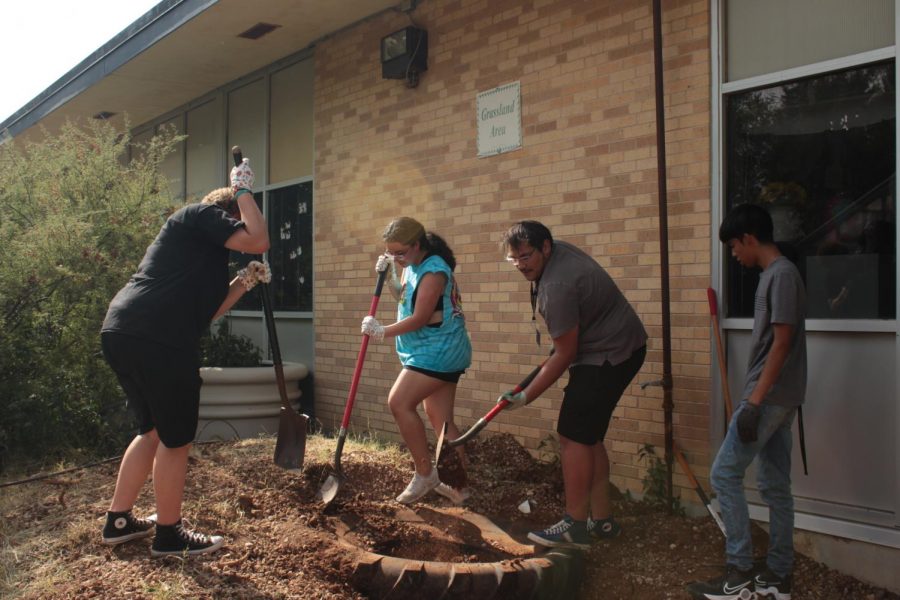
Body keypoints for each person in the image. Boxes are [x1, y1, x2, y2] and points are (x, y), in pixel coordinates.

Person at [99, 157, 270, 557]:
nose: (239, 231)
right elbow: (258, 238)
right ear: (227, 215)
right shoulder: (201, 213)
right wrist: (244, 190)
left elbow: (206, 313)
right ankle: (169, 536)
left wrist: (244, 282)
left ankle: (119, 521)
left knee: (153, 431)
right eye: (238, 219)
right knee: (176, 440)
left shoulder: (197, 255)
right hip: (158, 337)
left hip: (126, 330)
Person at [500, 220, 647, 550]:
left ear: (546, 247)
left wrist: (525, 396)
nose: (522, 266)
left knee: (572, 434)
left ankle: (574, 526)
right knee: (588, 436)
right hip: (622, 344)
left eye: (527, 257)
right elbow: (566, 345)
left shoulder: (557, 287)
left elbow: (565, 353)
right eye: (515, 259)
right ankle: (603, 520)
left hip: (609, 354)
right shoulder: (557, 255)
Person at [687, 203, 806, 600]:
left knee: (723, 475)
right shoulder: (774, 275)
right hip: (775, 396)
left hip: (769, 398)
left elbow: (783, 342)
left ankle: (738, 574)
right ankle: (777, 577)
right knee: (775, 487)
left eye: (734, 246)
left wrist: (753, 402)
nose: (734, 254)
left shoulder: (782, 275)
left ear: (749, 239)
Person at [360, 217, 472, 505]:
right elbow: (404, 297)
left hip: (439, 350)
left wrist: (381, 331)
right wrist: (390, 279)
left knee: (399, 402)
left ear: (418, 245)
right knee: (440, 418)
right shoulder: (415, 266)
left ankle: (425, 474)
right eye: (391, 253)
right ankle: (460, 487)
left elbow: (420, 317)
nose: (396, 259)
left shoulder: (434, 271)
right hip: (435, 349)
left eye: (400, 253)